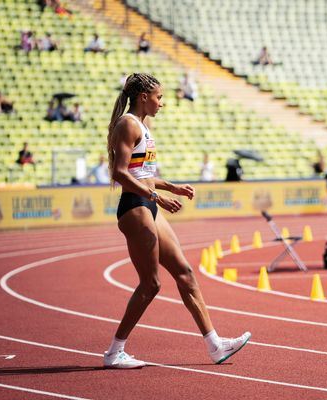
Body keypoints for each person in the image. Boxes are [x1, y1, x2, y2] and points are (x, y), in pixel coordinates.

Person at [105, 73, 250, 369]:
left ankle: (214, 344)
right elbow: (120, 174)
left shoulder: (144, 126)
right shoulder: (127, 125)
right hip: (135, 208)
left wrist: (172, 187)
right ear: (143, 96)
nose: (163, 103)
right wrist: (157, 198)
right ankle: (114, 352)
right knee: (151, 284)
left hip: (148, 203)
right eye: (159, 97)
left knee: (184, 271)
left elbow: (143, 173)